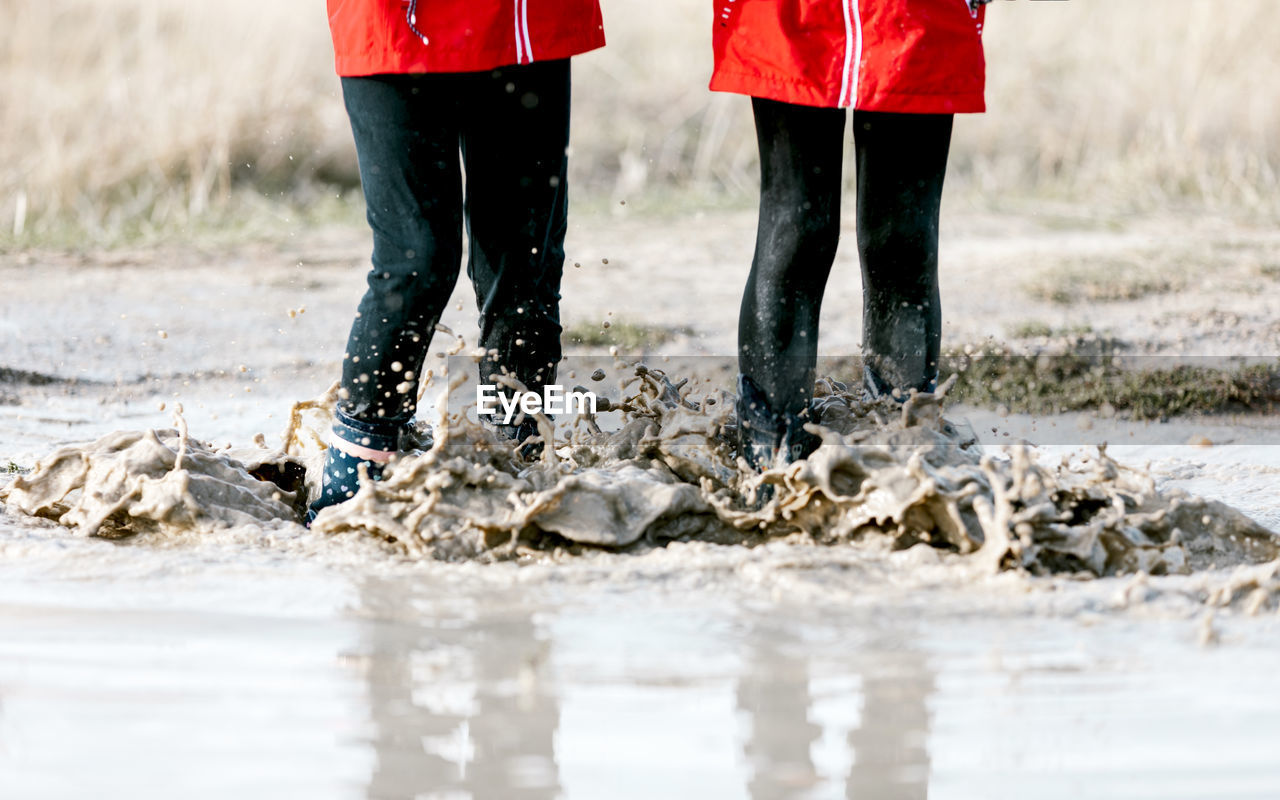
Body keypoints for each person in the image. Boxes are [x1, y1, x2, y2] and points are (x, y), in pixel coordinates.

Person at [309, 0, 605, 522]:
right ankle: (352, 481)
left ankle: (517, 465)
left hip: (526, 20)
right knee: (416, 261)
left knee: (523, 262)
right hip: (392, 21)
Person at [712, 0, 990, 471]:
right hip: (790, 14)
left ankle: (907, 457)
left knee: (901, 238)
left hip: (915, 14)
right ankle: (769, 461)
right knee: (797, 228)